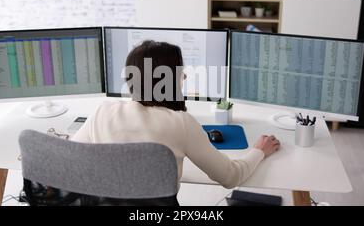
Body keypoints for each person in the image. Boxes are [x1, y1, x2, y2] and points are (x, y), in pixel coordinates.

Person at [72, 40, 280, 189]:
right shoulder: (181, 124)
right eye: (181, 73)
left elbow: (71, 159)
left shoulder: (103, 112)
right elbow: (230, 177)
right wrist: (259, 151)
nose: (184, 78)